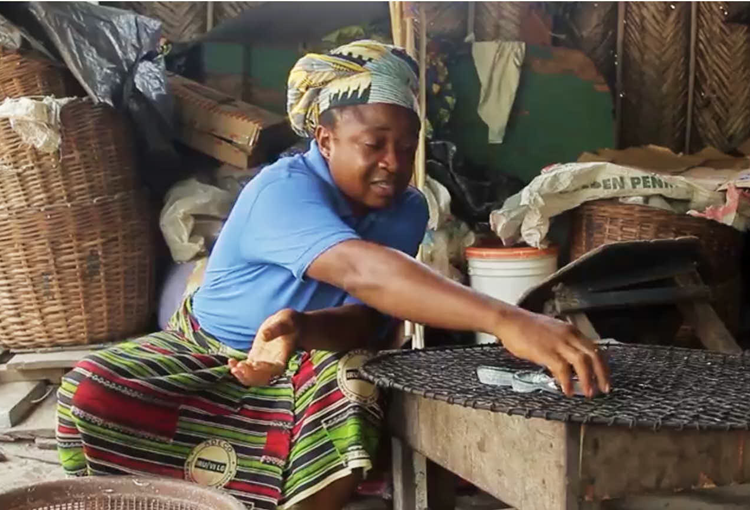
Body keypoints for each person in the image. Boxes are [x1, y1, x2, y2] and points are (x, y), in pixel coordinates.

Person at [57, 40, 609, 510]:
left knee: (353, 386)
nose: (394, 161)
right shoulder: (282, 191)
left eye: (407, 145)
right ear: (325, 141)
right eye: (374, 145)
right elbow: (362, 270)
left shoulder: (407, 209)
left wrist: (302, 329)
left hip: (305, 363)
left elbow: (369, 318)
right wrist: (508, 320)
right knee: (90, 389)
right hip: (203, 357)